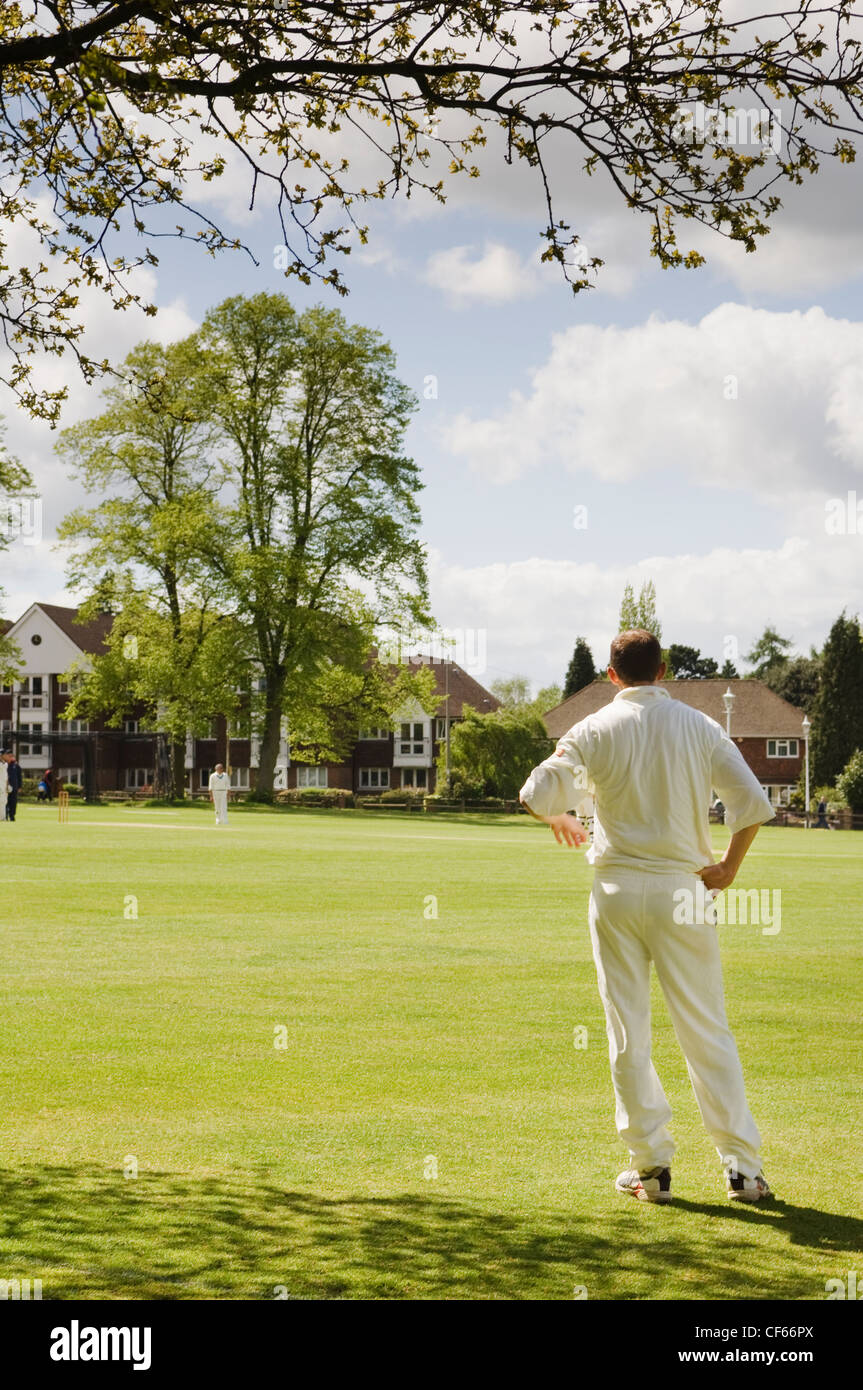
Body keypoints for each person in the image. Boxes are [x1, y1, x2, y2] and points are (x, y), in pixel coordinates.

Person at [519, 629, 775, 1206]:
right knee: (706, 1027)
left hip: (614, 889)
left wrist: (556, 816)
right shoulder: (699, 726)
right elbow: (751, 802)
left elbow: (537, 792)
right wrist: (729, 869)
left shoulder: (590, 729)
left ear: (612, 675)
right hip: (683, 889)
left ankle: (651, 1169)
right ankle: (742, 1171)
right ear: (663, 670)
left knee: (627, 1032)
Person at [4, 751, 22, 822]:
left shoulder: (16, 765)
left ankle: (12, 816)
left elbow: (19, 777)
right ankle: (5, 816)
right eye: (9, 756)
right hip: (4, 788)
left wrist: (20, 787)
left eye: (12, 756)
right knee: (5, 802)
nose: (11, 757)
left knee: (13, 803)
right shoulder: (3, 764)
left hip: (14, 787)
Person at [0, 751, 7, 823]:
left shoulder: (5, 764)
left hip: (3, 785)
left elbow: (6, 776)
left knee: (4, 801)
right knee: (1, 801)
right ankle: (2, 818)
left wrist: (7, 786)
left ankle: (3, 817)